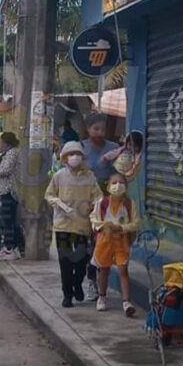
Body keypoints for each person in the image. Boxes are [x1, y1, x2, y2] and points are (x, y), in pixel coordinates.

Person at [44, 141, 102, 307]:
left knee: (82, 260)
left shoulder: (90, 176)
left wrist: (95, 205)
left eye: (77, 154)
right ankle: (67, 294)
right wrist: (60, 204)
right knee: (65, 262)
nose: (74, 157)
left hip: (82, 225)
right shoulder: (59, 176)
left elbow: (98, 197)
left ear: (82, 157)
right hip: (63, 224)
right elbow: (49, 195)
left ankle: (78, 283)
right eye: (70, 154)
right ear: (64, 158)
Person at [81, 114, 121, 301]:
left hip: (108, 202)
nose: (100, 133)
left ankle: (100, 281)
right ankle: (91, 281)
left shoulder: (113, 148)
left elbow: (122, 172)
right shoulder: (81, 149)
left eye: (103, 129)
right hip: (86, 202)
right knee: (89, 243)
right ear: (88, 129)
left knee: (103, 242)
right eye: (96, 129)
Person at [90, 172, 141, 316]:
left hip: (121, 241)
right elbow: (94, 220)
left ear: (126, 186)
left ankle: (126, 301)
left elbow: (136, 223)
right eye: (114, 183)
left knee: (123, 269)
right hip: (105, 241)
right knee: (104, 270)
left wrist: (121, 228)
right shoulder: (102, 203)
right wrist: (104, 226)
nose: (117, 186)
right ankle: (102, 296)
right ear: (108, 186)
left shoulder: (130, 204)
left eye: (121, 183)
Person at [0, 132, 24, 261]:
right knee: (11, 221)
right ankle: (15, 247)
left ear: (6, 142)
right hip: (6, 191)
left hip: (8, 191)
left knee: (7, 220)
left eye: (1, 142)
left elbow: (6, 171)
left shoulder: (12, 153)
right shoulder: (10, 153)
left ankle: (9, 248)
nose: (0, 144)